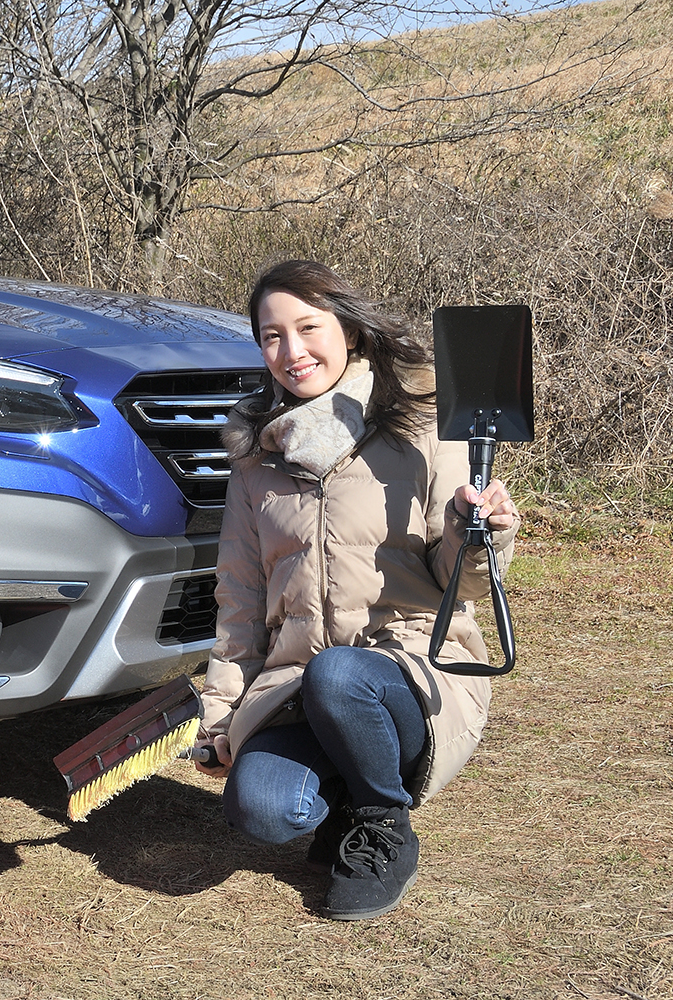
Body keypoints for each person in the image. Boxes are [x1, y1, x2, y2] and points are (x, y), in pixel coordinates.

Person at [193, 259, 520, 921]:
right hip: (296, 684)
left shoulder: (422, 428)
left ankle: (381, 826)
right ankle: (340, 798)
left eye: (308, 327)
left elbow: (464, 580)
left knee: (342, 675)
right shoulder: (256, 461)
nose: (292, 350)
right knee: (260, 808)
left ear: (350, 329)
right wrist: (223, 714)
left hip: (412, 671)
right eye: (272, 335)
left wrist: (477, 529)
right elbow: (240, 605)